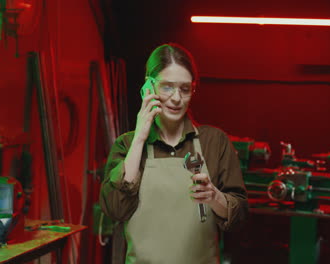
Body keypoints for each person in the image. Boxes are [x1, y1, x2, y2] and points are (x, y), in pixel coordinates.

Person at [99, 43, 248, 264]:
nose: (177, 98)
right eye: (167, 87)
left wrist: (215, 197)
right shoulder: (127, 145)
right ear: (148, 86)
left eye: (185, 89)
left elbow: (241, 217)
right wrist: (141, 135)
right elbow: (115, 209)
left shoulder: (214, 142)